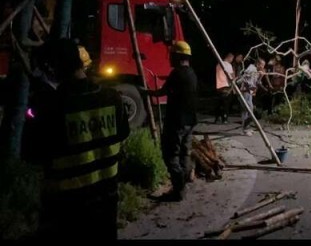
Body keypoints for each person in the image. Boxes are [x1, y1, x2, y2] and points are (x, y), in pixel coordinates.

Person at [23, 38, 130, 240]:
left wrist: (32, 111)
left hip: (68, 208)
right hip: (108, 199)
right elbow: (122, 134)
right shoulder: (112, 97)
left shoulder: (50, 107)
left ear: (52, 68)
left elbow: (31, 153)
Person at [143, 41, 198, 202]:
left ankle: (178, 191)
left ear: (178, 56)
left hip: (177, 122)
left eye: (172, 55)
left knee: (171, 154)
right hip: (190, 121)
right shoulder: (192, 73)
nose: (170, 58)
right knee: (184, 153)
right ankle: (184, 184)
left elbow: (162, 91)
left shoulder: (177, 73)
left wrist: (146, 92)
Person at [237, 58, 265, 135]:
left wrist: (260, 76)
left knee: (248, 110)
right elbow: (246, 79)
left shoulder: (256, 71)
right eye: (262, 65)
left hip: (249, 92)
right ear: (258, 64)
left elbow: (257, 82)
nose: (263, 67)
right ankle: (245, 129)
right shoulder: (251, 68)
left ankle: (246, 128)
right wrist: (255, 73)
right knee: (248, 109)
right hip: (245, 91)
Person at [214, 52, 235, 123]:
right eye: (232, 59)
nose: (232, 60)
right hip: (226, 85)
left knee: (220, 102)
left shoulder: (218, 64)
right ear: (230, 57)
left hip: (219, 85)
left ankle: (217, 118)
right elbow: (231, 76)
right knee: (226, 103)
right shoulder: (228, 65)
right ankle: (225, 118)